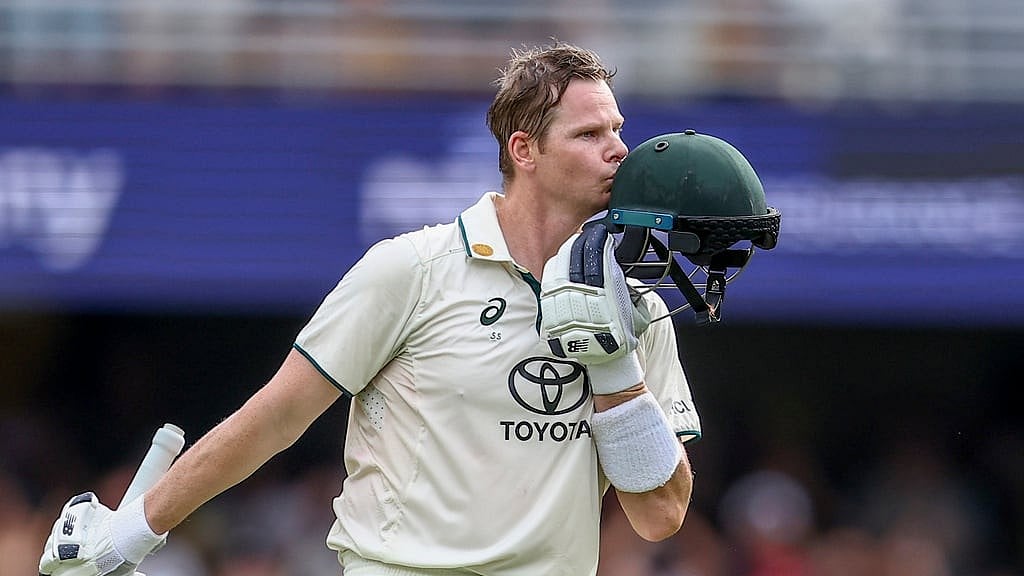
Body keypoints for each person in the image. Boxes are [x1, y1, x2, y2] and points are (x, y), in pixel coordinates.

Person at [39, 41, 705, 576]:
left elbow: (659, 517)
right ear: (523, 150)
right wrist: (135, 530)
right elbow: (275, 419)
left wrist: (616, 372)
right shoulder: (410, 269)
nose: (620, 149)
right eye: (591, 133)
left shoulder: (637, 308)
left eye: (618, 129)